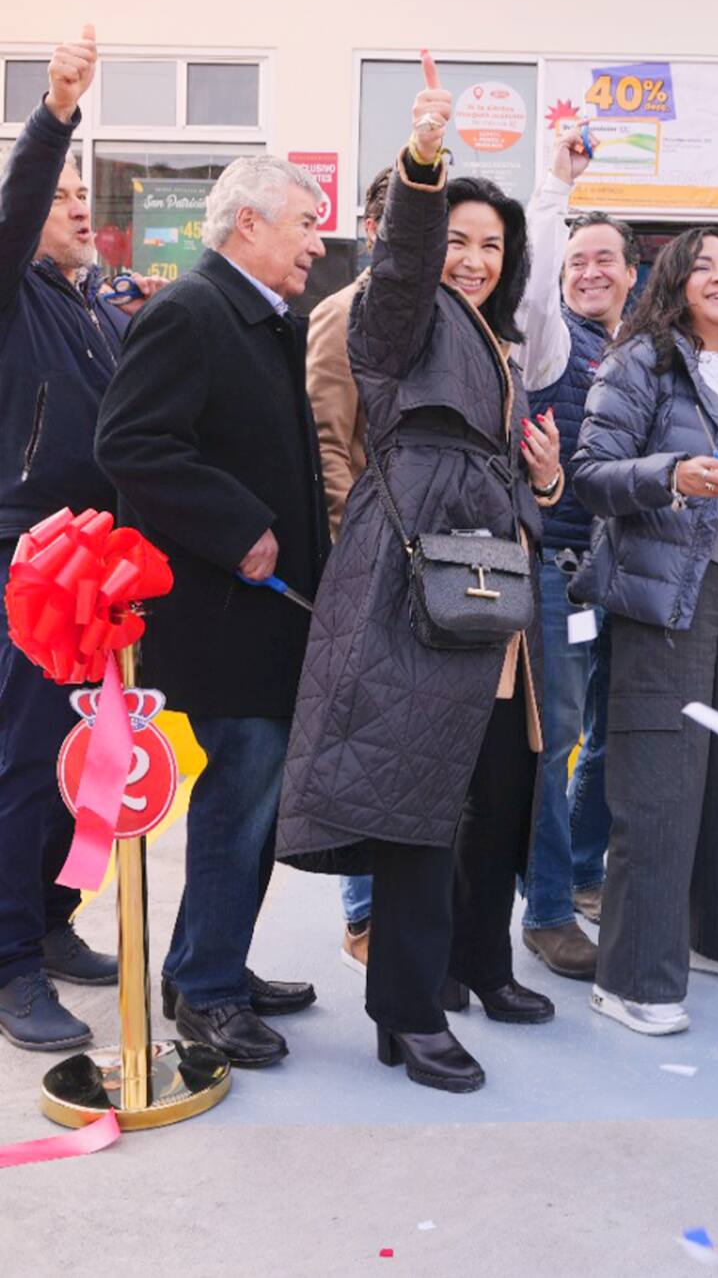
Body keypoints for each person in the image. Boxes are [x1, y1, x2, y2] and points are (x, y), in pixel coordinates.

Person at [275, 53, 562, 1095]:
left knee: (490, 781)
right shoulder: (398, 308)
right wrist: (426, 164)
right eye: (457, 240)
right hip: (412, 579)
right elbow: (399, 271)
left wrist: (542, 473)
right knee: (412, 801)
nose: (472, 260)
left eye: (491, 245)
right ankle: (408, 1011)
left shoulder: (490, 337)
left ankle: (470, 967)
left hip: (478, 577)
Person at [95, 154, 330, 1068]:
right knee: (238, 800)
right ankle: (205, 993)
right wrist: (240, 527)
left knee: (252, 802)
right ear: (248, 226)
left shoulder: (256, 320)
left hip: (265, 613)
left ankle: (210, 959)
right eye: (305, 222)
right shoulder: (191, 313)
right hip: (225, 612)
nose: (317, 241)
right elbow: (130, 443)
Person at [572, 226, 718, 1036]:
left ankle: (717, 935)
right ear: (672, 283)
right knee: (660, 787)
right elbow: (590, 473)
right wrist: (669, 476)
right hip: (665, 602)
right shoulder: (638, 365)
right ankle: (630, 974)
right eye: (701, 266)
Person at [0, 28, 163, 1053]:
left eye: (78, 197)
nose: (73, 208)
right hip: (31, 559)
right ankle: (10, 961)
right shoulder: (12, 284)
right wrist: (56, 113)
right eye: (61, 196)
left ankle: (54, 921)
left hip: (101, 567)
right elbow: (17, 208)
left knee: (87, 758)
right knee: (21, 761)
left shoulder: (92, 306)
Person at [516, 136, 638, 977]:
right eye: (575, 259)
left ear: (634, 273)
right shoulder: (547, 337)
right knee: (553, 742)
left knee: (604, 738)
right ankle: (549, 909)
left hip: (619, 580)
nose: (589, 270)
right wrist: (558, 185)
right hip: (555, 575)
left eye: (606, 259)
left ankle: (579, 873)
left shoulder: (634, 352)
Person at [304, 164, 391, 975]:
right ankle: (363, 915)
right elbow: (331, 444)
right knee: (363, 744)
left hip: (434, 569)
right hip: (369, 564)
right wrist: (351, 555)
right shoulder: (343, 314)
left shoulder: (453, 315)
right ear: (371, 225)